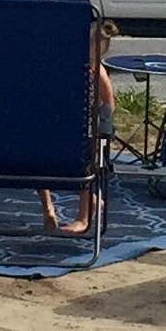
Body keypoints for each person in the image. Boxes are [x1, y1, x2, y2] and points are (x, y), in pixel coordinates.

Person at [40, 16, 120, 237]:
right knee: (41, 152)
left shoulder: (97, 71)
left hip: (85, 129)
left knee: (87, 157)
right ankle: (49, 208)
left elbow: (109, 105)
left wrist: (99, 124)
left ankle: (84, 216)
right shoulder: (63, 65)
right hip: (60, 124)